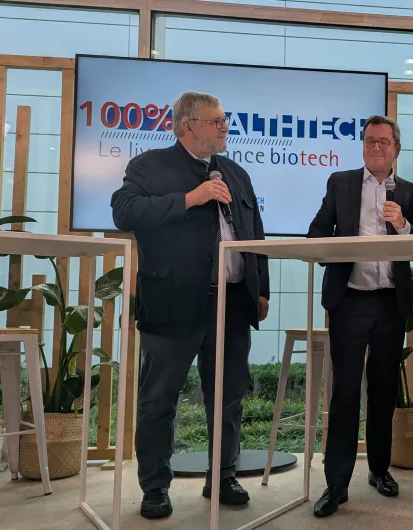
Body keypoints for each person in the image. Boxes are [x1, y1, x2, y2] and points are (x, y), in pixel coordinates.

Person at [111, 90, 270, 520]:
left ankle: (222, 476)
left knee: (229, 398)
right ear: (188, 125)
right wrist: (189, 199)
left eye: (224, 120)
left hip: (232, 304)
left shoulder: (235, 172)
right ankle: (155, 487)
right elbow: (124, 212)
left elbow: (254, 232)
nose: (224, 128)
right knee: (159, 398)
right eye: (216, 121)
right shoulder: (150, 166)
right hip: (173, 303)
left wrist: (261, 289)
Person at [306, 115, 413, 518]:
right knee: (345, 394)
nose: (376, 148)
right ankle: (336, 484)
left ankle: (379, 469)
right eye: (370, 141)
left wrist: (402, 225)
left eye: (383, 142)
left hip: (391, 302)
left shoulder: (409, 192)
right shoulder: (341, 183)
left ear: (396, 149)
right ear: (362, 146)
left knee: (384, 390)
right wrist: (341, 246)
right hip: (350, 300)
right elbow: (316, 233)